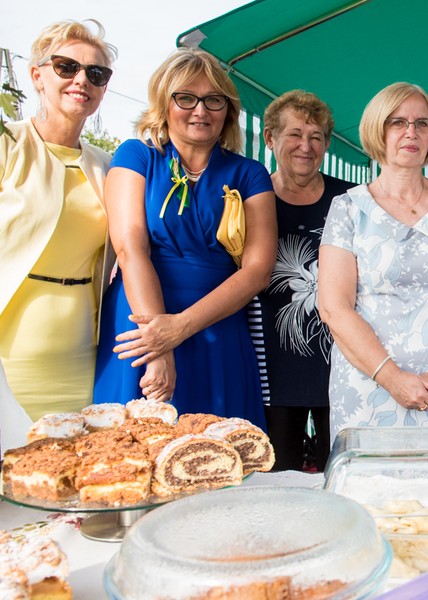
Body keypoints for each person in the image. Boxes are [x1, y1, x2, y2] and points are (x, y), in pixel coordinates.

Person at [93, 48, 276, 428]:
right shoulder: (136, 157)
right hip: (141, 322)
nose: (201, 110)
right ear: (164, 102)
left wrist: (180, 328)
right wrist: (157, 343)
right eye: (186, 98)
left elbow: (258, 270)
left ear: (228, 110)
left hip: (217, 325)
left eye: (214, 100)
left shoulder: (250, 174)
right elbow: (130, 249)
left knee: (218, 453)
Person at [318, 82, 428, 442]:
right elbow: (334, 306)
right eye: (397, 122)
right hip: (367, 387)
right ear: (378, 130)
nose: (411, 132)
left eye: (422, 123)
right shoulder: (347, 208)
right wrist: (392, 378)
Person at [0, 20, 116, 420]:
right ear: (37, 76)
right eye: (66, 67)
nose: (81, 80)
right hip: (10, 357)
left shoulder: (109, 166)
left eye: (96, 73)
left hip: (83, 357)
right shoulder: (6, 146)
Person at [251, 90, 353, 471]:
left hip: (340, 365)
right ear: (270, 138)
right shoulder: (249, 197)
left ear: (327, 143)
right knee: (278, 478)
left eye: (316, 137)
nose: (305, 146)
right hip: (272, 368)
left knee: (343, 472)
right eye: (294, 134)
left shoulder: (349, 199)